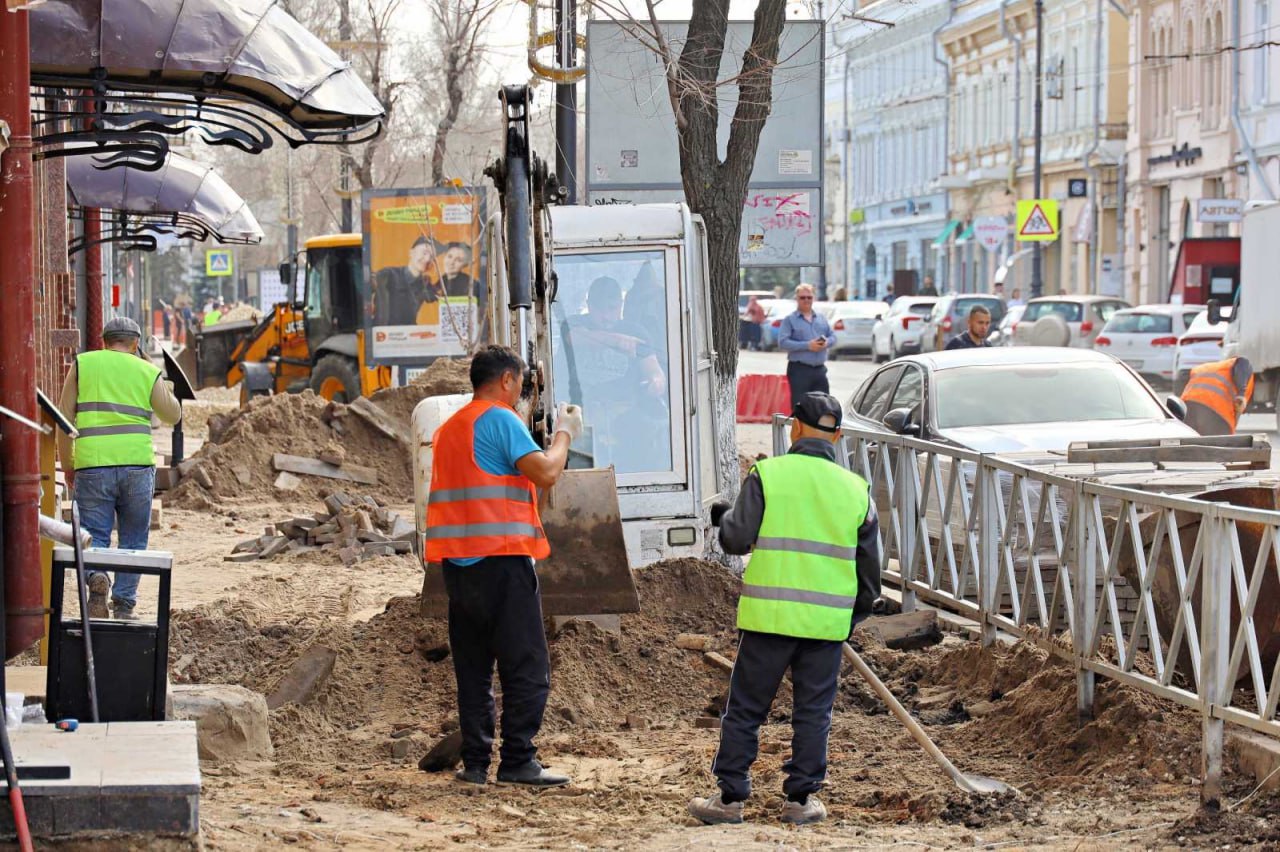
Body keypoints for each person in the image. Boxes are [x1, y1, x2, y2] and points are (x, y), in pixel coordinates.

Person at [690, 392, 881, 826]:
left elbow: (735, 540)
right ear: (839, 435)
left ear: (794, 428)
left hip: (769, 620)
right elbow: (870, 573)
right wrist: (850, 618)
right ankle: (800, 802)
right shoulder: (857, 490)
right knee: (813, 714)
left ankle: (730, 798)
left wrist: (726, 517)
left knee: (745, 710)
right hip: (825, 627)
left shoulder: (768, 475)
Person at [424, 346, 583, 788]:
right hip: (503, 562)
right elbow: (547, 474)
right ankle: (518, 760)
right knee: (527, 668)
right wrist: (564, 434)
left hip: (459, 567)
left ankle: (475, 765)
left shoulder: (449, 429)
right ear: (509, 380)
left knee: (474, 670)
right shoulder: (500, 419)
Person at [57, 317, 182, 619]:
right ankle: (124, 604)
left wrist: (69, 464)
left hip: (93, 465)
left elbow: (64, 418)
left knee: (95, 535)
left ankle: (97, 581)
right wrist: (157, 375)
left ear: (103, 341)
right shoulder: (147, 370)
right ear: (136, 343)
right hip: (137, 467)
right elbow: (173, 414)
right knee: (134, 538)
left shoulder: (83, 364)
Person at [560, 277, 667, 471]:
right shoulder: (574, 324)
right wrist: (617, 341)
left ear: (621, 305)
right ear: (589, 305)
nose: (606, 316)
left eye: (612, 308)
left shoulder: (636, 331)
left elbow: (655, 371)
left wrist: (656, 383)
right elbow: (575, 337)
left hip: (624, 419)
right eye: (600, 309)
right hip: (580, 419)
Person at [777, 283, 835, 409]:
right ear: (796, 299)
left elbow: (833, 337)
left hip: (820, 370)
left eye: (809, 297)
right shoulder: (790, 319)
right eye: (802, 297)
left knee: (823, 408)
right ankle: (799, 429)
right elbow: (783, 342)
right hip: (799, 369)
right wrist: (807, 346)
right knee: (800, 408)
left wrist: (826, 343)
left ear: (813, 298)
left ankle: (819, 430)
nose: (806, 300)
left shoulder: (821, 318)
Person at [1181, 356, 1254, 436]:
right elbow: (1243, 362)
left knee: (1190, 441)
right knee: (1218, 444)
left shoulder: (1214, 368)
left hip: (1187, 405)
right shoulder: (1238, 365)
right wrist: (1241, 394)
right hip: (1214, 406)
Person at [374, 236, 433, 325]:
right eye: (424, 253)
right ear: (411, 253)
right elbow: (372, 282)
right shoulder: (389, 274)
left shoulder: (426, 284)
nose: (427, 259)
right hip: (387, 334)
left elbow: (444, 296)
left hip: (410, 334)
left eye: (431, 256)